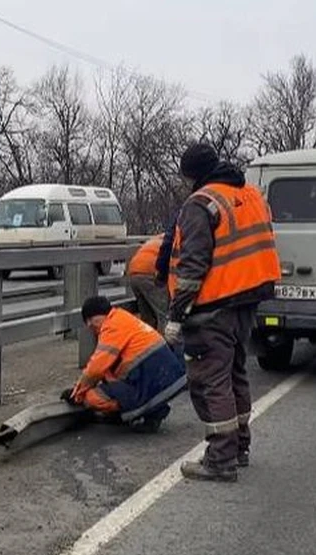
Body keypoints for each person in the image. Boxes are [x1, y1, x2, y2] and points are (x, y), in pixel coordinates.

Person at [163, 143, 281, 482]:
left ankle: (220, 459)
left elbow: (192, 266)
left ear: (192, 174)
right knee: (234, 373)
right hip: (248, 298)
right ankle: (240, 447)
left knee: (210, 380)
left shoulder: (201, 203)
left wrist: (176, 315)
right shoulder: (250, 194)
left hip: (213, 304)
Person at [61, 296, 186, 433]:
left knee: (93, 397)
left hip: (154, 380)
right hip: (165, 376)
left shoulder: (111, 327)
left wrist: (77, 394)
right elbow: (106, 371)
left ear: (100, 315)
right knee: (109, 377)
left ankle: (133, 411)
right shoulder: (122, 318)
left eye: (91, 321)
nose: (91, 326)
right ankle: (154, 410)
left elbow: (96, 368)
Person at [125, 234, 170, 330]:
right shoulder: (176, 239)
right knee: (164, 315)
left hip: (134, 272)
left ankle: (147, 342)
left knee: (147, 318)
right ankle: (164, 343)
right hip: (150, 273)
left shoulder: (158, 238)